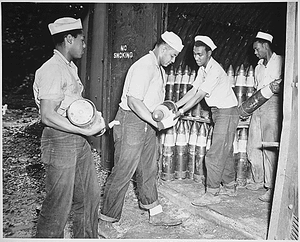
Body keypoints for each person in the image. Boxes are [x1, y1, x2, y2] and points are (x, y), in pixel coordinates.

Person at [98, 31, 183, 239]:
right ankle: (105, 220)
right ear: (163, 48)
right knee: (124, 170)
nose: (172, 61)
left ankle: (154, 211)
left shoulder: (157, 68)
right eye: (171, 55)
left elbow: (150, 100)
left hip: (145, 121)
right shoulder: (145, 65)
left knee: (148, 167)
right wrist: (155, 122)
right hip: (131, 121)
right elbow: (134, 101)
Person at [33, 17, 106, 238]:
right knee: (59, 204)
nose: (84, 45)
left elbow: (74, 107)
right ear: (68, 39)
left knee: (89, 195)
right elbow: (47, 115)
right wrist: (84, 131)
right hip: (59, 140)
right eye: (82, 40)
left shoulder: (69, 68)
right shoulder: (52, 69)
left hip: (76, 138)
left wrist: (94, 122)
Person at [175, 35, 239, 206]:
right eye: (195, 54)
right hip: (218, 112)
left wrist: (181, 111)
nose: (196, 58)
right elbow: (193, 91)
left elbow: (199, 96)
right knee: (224, 150)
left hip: (227, 112)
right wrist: (175, 105)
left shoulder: (215, 71)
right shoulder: (203, 70)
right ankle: (230, 186)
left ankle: (212, 193)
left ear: (209, 53)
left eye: (200, 54)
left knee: (214, 153)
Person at [245, 31, 283, 203]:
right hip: (258, 102)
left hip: (273, 104)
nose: (255, 52)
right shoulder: (258, 67)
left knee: (269, 144)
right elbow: (256, 88)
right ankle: (258, 179)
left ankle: (271, 187)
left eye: (256, 48)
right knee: (253, 143)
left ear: (266, 45)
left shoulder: (281, 61)